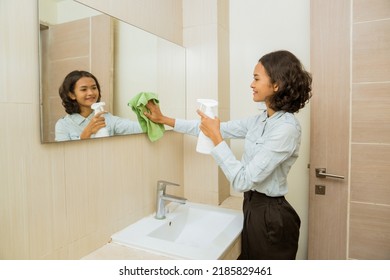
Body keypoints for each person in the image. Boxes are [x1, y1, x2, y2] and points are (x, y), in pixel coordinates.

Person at [144, 50, 312, 259]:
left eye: (256, 78)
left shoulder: (286, 129)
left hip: (271, 216)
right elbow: (212, 128)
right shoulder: (260, 120)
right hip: (252, 207)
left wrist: (216, 139)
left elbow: (242, 181)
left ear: (276, 85)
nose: (251, 84)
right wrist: (164, 120)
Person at [55, 70, 142, 141]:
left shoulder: (107, 118)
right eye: (84, 89)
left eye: (94, 88)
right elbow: (64, 155)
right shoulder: (63, 125)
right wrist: (86, 134)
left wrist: (153, 120)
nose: (91, 93)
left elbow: (138, 128)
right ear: (72, 95)